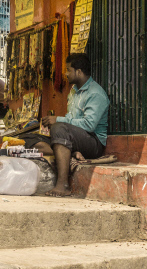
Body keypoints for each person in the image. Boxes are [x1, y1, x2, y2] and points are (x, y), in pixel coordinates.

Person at [21, 53, 109, 197]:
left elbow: (89, 125)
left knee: (59, 127)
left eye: (68, 70)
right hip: (73, 139)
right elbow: (70, 118)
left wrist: (59, 120)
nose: (66, 74)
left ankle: (63, 185)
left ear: (79, 72)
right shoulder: (73, 91)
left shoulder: (96, 94)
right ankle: (71, 153)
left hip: (93, 142)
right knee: (27, 138)